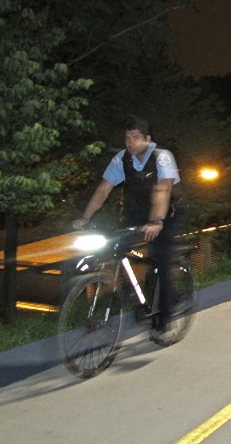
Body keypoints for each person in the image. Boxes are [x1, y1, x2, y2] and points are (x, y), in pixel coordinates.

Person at [73, 115, 187, 340]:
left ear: (148, 139)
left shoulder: (162, 157)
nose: (131, 143)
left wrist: (157, 221)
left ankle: (164, 320)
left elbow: (162, 190)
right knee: (116, 248)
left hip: (169, 212)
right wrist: (85, 217)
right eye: (127, 138)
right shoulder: (121, 160)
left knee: (162, 258)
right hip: (139, 213)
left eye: (136, 138)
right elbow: (103, 189)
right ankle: (133, 295)